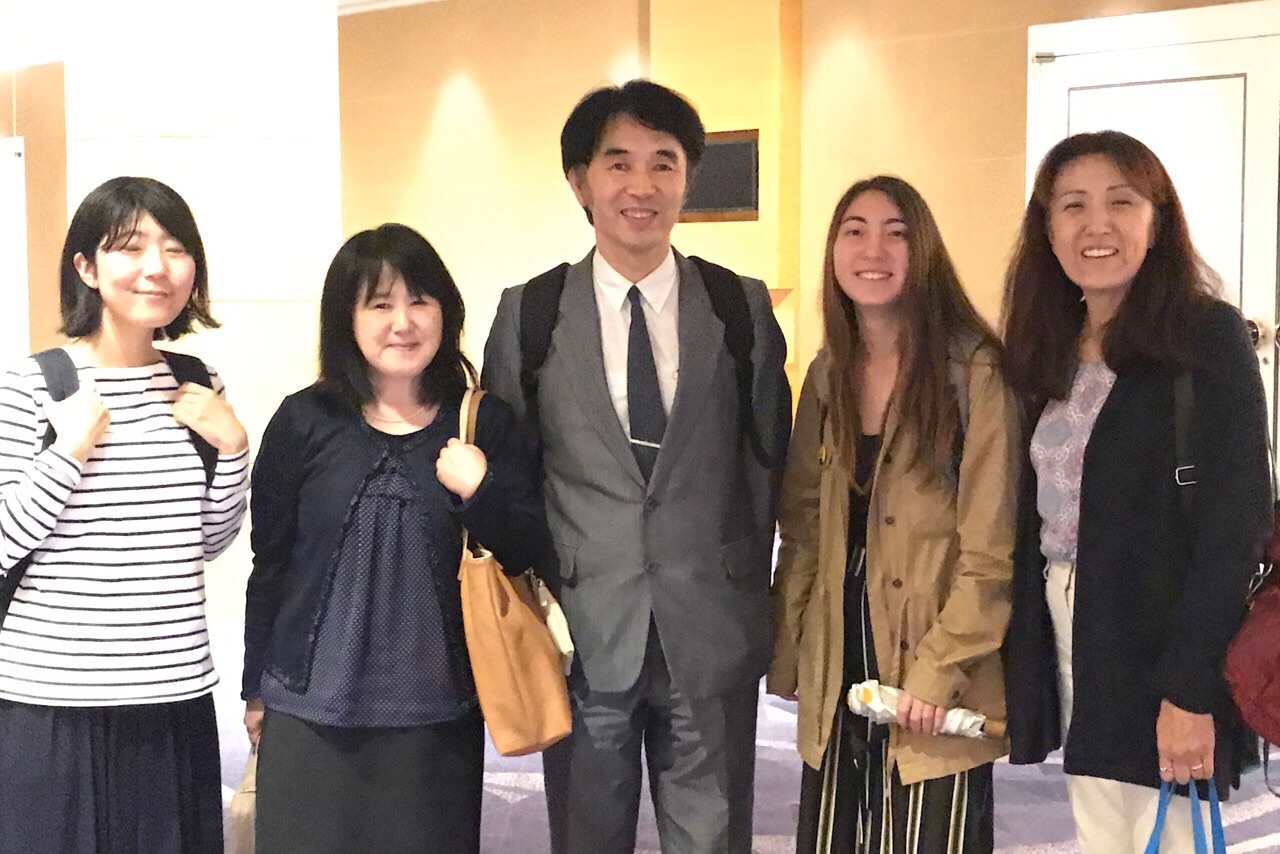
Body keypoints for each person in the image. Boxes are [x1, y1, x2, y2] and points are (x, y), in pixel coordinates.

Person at [482, 79, 791, 854]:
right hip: (584, 634)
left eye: (664, 162)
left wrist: (744, 587)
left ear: (689, 178)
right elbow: (510, 476)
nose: (641, 185)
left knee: (714, 838)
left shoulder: (738, 307)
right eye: (618, 163)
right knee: (586, 836)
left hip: (710, 631)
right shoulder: (530, 312)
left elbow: (766, 465)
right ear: (580, 182)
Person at [1001, 130, 1272, 852]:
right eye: (1073, 205)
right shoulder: (1045, 345)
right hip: (1072, 625)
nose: (1097, 225)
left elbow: (1235, 524)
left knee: (1173, 831)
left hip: (1165, 633)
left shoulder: (1204, 336)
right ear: (1047, 228)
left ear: (1157, 221)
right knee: (1103, 829)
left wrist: (1190, 688)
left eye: (1121, 202)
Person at [243, 223, 551, 854]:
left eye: (419, 301)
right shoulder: (304, 420)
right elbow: (270, 563)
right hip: (308, 708)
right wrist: (255, 686)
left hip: (435, 716)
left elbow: (529, 548)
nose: (403, 323)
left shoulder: (481, 420)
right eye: (379, 304)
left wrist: (480, 490)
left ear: (445, 312)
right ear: (347, 320)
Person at [767, 176, 1018, 853]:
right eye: (854, 231)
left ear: (923, 250)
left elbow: (991, 551)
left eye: (895, 233)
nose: (872, 249)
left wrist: (941, 670)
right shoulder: (828, 374)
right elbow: (804, 527)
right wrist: (792, 653)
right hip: (839, 653)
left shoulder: (973, 372)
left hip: (934, 652)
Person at [0, 176, 249, 853]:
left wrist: (234, 449)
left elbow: (206, 540)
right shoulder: (31, 385)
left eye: (175, 249)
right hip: (51, 700)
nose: (156, 267)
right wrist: (68, 453)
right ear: (86, 267)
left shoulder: (198, 382)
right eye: (131, 247)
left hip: (173, 693)